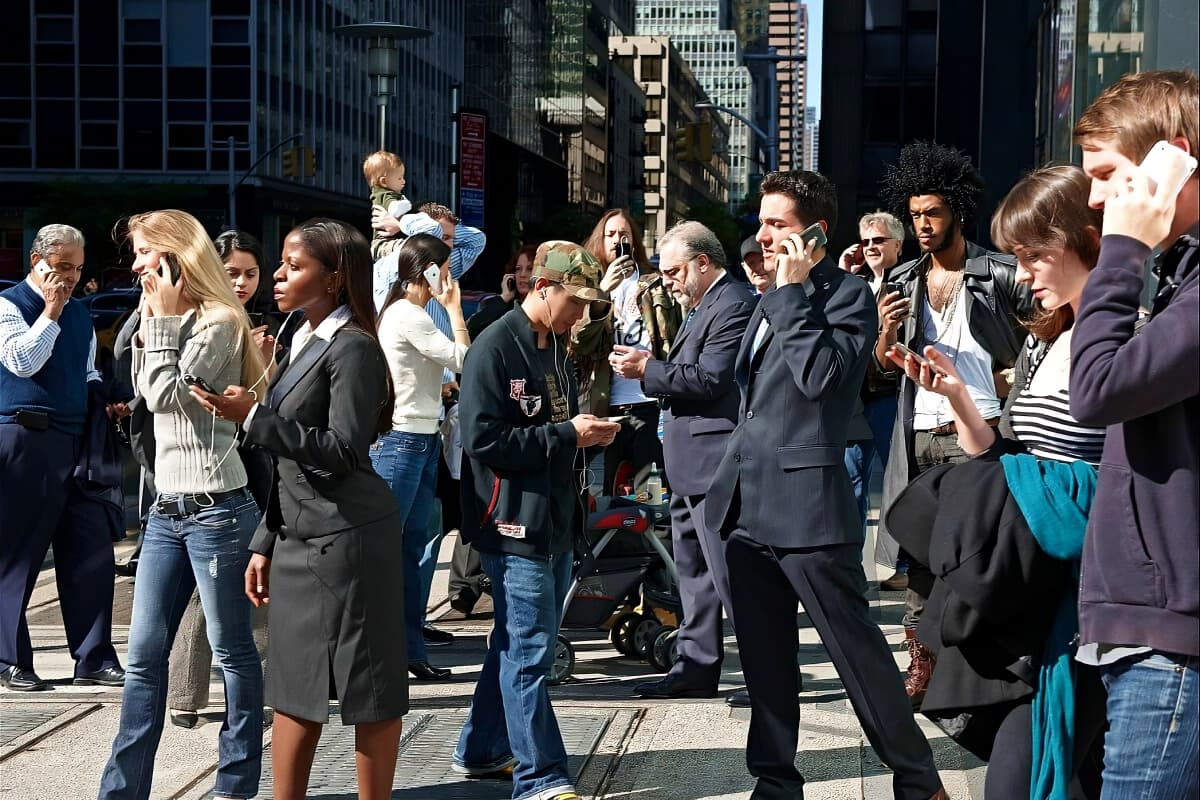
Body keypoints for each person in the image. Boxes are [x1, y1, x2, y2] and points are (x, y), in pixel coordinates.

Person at [704, 171, 946, 800]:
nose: (762, 236)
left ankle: (919, 781)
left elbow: (821, 381)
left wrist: (791, 294)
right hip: (745, 505)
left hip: (809, 509)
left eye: (777, 224)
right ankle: (775, 783)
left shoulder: (846, 298)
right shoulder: (764, 295)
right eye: (760, 222)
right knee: (764, 662)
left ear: (813, 231)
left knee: (857, 657)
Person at [886, 164, 1110, 799]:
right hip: (1031, 588)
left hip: (1079, 593)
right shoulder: (1050, 334)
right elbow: (1012, 450)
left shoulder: (1126, 334)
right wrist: (957, 397)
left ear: (1086, 241)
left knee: (1039, 772)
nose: (1024, 271)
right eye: (1018, 256)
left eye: (1034, 254)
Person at [192, 218, 406, 800]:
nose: (278, 276)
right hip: (297, 540)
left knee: (369, 685)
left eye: (294, 265)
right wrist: (266, 540)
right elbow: (292, 466)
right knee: (292, 686)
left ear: (334, 279)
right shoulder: (299, 339)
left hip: (351, 539)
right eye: (282, 264)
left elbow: (341, 452)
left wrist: (254, 418)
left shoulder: (355, 347)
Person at [98, 209, 266, 800]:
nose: (137, 265)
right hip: (167, 510)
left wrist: (163, 325)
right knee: (144, 656)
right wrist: (155, 320)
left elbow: (170, 397)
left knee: (233, 652)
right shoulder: (159, 315)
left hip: (218, 508)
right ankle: (121, 791)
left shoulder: (221, 320)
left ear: (174, 254)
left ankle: (235, 784)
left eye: (145, 253)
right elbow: (145, 390)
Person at [1069, 69, 1199, 799]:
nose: (1095, 198)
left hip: (1172, 645)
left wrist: (1122, 251)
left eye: (1108, 176)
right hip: (1152, 633)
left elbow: (1097, 391)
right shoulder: (1182, 280)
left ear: (1172, 160)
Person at [453, 242, 618, 800]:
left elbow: (555, 429)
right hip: (511, 521)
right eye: (575, 301)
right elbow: (481, 439)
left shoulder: (555, 347)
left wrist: (584, 432)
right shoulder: (494, 348)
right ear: (541, 288)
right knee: (530, 651)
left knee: (515, 643)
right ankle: (540, 776)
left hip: (553, 519)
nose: (580, 314)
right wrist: (570, 433)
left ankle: (481, 748)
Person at [876, 141, 1032, 708]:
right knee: (919, 552)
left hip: (980, 429)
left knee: (973, 552)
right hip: (919, 430)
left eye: (932, 214)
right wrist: (886, 334)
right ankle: (921, 660)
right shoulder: (903, 277)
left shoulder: (998, 273)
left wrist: (1013, 376)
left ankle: (983, 661)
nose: (921, 225)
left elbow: (1038, 338)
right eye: (915, 215)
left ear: (956, 213)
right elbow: (880, 367)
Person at [608, 221, 755, 702]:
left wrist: (646, 369)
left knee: (732, 574)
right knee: (692, 573)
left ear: (703, 263)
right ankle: (696, 666)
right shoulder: (699, 307)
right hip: (688, 461)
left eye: (673, 270)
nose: (667, 279)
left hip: (714, 462)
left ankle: (766, 673)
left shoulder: (732, 303)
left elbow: (711, 378)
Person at [0, 224, 124, 692]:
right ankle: (9, 658)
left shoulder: (79, 314)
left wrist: (109, 397)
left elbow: (87, 371)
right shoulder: (9, 304)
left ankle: (93, 656)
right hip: (25, 440)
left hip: (76, 442)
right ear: (38, 262)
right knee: (19, 552)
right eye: (63, 266)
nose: (72, 277)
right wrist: (50, 311)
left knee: (90, 548)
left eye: (77, 267)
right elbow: (22, 361)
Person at [166, 229, 275, 729]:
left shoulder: (257, 325)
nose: (243, 282)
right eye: (233, 272)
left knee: (249, 582)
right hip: (202, 471)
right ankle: (187, 693)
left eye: (251, 273)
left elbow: (264, 401)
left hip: (252, 460)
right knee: (206, 586)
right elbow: (168, 389)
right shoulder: (192, 318)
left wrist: (266, 361)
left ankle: (247, 694)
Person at [371, 233, 469, 682]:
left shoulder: (407, 314)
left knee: (413, 550)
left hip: (421, 438)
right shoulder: (407, 314)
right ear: (427, 270)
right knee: (392, 552)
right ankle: (387, 653)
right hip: (404, 441)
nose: (449, 276)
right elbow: (462, 357)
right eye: (444, 267)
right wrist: (453, 307)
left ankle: (409, 650)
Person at [574, 209, 681, 493]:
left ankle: (653, 535)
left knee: (651, 496)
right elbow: (579, 341)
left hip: (651, 404)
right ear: (600, 240)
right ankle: (620, 540)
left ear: (633, 242)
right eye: (610, 234)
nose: (616, 240)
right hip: (607, 408)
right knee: (609, 494)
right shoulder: (591, 287)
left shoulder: (655, 284)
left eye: (624, 234)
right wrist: (602, 292)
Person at [839, 211, 908, 589]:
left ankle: (906, 566)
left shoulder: (908, 280)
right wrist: (843, 274)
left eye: (879, 241)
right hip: (856, 397)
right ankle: (851, 567)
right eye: (865, 242)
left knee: (899, 482)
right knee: (851, 485)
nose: (870, 248)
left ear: (898, 244)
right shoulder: (857, 283)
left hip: (890, 396)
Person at [467, 243, 536, 340]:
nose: (522, 274)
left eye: (530, 269)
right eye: (518, 269)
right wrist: (504, 297)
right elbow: (472, 329)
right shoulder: (504, 305)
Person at [363, 150, 412, 261]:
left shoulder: (380, 193)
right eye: (399, 178)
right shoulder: (385, 194)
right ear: (384, 182)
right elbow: (395, 209)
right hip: (384, 244)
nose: (403, 181)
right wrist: (407, 205)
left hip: (385, 244)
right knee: (413, 248)